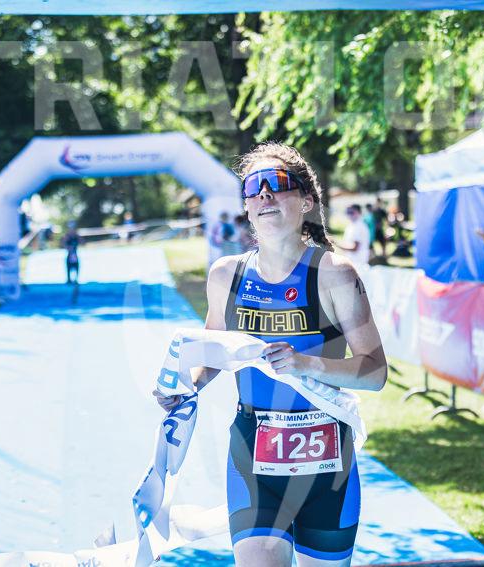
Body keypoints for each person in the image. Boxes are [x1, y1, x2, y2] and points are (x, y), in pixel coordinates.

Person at [155, 142, 387, 567]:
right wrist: (187, 385)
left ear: (306, 201)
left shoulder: (334, 274)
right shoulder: (227, 275)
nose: (264, 194)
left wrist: (305, 365)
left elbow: (375, 372)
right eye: (253, 188)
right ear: (246, 207)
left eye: (277, 184)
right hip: (253, 456)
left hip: (327, 464)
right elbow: (213, 354)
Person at [337, 205, 371, 270]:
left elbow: (354, 248)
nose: (349, 215)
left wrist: (336, 244)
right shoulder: (352, 225)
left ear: (359, 213)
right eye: (347, 212)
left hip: (358, 263)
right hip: (353, 262)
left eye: (351, 212)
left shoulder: (359, 226)